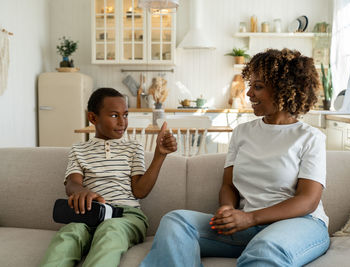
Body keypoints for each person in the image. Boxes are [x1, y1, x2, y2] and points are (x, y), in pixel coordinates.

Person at [140, 48, 330, 267]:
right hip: (247, 226)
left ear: (283, 89)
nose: (249, 94)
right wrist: (228, 209)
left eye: (258, 87)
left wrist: (250, 218)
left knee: (265, 248)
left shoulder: (310, 137)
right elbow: (228, 185)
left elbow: (308, 200)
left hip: (299, 224)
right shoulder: (242, 132)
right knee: (176, 221)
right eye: (251, 85)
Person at [40, 87, 177, 267]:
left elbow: (140, 191)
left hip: (126, 216)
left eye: (125, 115)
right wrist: (81, 192)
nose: (122, 122)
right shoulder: (79, 150)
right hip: (89, 214)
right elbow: (72, 183)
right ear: (93, 118)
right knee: (69, 234)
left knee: (110, 230)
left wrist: (160, 156)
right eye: (114, 116)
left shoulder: (133, 148)